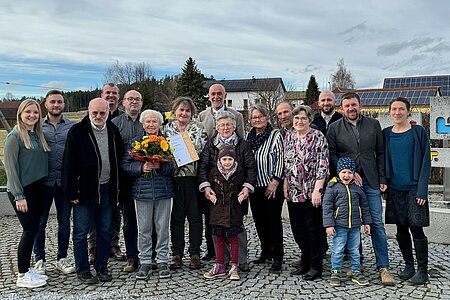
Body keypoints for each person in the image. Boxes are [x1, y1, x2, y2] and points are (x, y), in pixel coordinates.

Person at [327, 92, 396, 286]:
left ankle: (383, 267)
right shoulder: (334, 128)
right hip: (347, 182)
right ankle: (358, 264)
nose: (351, 108)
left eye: (354, 105)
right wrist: (348, 170)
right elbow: (331, 155)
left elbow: (381, 153)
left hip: (371, 181)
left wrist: (382, 178)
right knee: (351, 223)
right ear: (342, 108)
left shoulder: (373, 125)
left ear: (360, 105)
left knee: (376, 224)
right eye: (347, 105)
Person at [62, 98, 124, 284]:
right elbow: (68, 164)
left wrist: (119, 189)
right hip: (84, 191)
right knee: (81, 232)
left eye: (102, 113)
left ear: (108, 113)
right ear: (88, 111)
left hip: (107, 189)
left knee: (105, 230)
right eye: (94, 113)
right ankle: (83, 269)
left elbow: (119, 161)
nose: (98, 116)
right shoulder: (77, 131)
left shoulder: (113, 131)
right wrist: (71, 192)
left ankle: (101, 266)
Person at [198, 112, 256, 272]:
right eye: (222, 125)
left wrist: (246, 188)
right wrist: (206, 187)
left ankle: (240, 261)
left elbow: (251, 168)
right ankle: (221, 261)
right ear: (216, 128)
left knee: (238, 227)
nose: (225, 128)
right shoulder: (211, 145)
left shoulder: (243, 145)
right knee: (217, 227)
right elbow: (203, 167)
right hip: (216, 194)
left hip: (237, 194)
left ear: (234, 126)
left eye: (228, 124)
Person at [383, 97, 431, 285]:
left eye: (401, 109)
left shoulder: (418, 132)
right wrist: (383, 183)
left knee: (416, 229)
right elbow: (382, 160)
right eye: (394, 109)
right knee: (400, 229)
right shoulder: (386, 134)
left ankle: (422, 270)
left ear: (408, 111)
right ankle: (408, 265)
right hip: (395, 189)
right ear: (389, 112)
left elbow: (426, 162)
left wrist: (422, 191)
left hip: (413, 189)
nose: (397, 112)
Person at [122, 109, 174, 280]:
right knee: (144, 229)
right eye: (148, 122)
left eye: (154, 122)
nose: (151, 125)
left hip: (163, 191)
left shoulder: (166, 142)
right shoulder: (135, 143)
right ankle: (145, 261)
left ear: (160, 124)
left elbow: (174, 166)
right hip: (142, 192)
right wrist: (141, 168)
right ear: (143, 124)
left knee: (162, 228)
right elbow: (125, 165)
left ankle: (163, 261)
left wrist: (161, 166)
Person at [4, 99, 51, 288]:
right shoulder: (14, 137)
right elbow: (11, 169)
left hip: (39, 189)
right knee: (29, 230)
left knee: (34, 230)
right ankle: (22, 274)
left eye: (35, 112)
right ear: (20, 114)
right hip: (24, 191)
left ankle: (28, 269)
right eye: (28, 112)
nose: (32, 115)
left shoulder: (37, 135)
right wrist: (18, 195)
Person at [198, 83, 246, 262]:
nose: (216, 96)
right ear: (209, 96)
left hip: (233, 176)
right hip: (213, 176)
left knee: (235, 219)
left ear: (224, 95)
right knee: (212, 217)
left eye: (219, 94)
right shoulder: (202, 116)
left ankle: (238, 259)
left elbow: (240, 144)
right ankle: (214, 253)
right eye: (213, 94)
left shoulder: (237, 116)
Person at [33, 90, 76, 276]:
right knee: (39, 222)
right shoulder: (37, 127)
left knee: (64, 222)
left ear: (64, 104)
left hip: (65, 183)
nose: (56, 105)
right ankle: (39, 259)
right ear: (46, 104)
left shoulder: (73, 127)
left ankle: (61, 258)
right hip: (43, 183)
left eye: (59, 102)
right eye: (53, 102)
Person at [283, 105, 328, 281]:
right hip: (293, 191)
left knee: (313, 228)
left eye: (303, 118)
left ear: (309, 120)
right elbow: (287, 163)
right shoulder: (289, 136)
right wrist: (286, 184)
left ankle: (316, 266)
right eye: (296, 119)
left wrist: (318, 189)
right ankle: (305, 260)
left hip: (311, 190)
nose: (299, 121)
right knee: (298, 228)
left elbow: (323, 165)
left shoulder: (317, 137)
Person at [164, 96, 208, 269]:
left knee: (195, 217)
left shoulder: (199, 129)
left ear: (192, 113)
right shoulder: (166, 130)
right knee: (176, 218)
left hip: (193, 178)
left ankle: (195, 253)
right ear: (174, 111)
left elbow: (204, 153)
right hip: (173, 179)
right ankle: (177, 254)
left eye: (187, 110)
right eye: (181, 110)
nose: (184, 113)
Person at [88, 83, 126, 263]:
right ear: (102, 95)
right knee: (94, 213)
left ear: (119, 97)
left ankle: (113, 244)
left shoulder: (121, 118)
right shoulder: (92, 116)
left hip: (115, 176)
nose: (111, 96)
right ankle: (93, 247)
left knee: (115, 211)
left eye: (114, 93)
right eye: (107, 93)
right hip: (95, 178)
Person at [323, 157, 372, 287]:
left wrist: (367, 223)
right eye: (344, 172)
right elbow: (327, 207)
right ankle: (335, 272)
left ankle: (356, 271)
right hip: (339, 226)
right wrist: (329, 224)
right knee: (338, 249)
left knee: (355, 250)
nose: (346, 175)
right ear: (339, 172)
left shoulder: (357, 188)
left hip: (355, 226)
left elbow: (365, 206)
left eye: (350, 172)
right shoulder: (333, 187)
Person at [247, 104, 284, 273]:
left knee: (273, 221)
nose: (257, 119)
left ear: (267, 117)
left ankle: (277, 257)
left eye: (260, 116)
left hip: (271, 186)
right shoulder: (250, 137)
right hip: (255, 187)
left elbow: (280, 158)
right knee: (259, 221)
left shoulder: (275, 135)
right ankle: (265, 251)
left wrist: (275, 181)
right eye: (254, 117)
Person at [111, 90, 145, 272]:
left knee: (148, 221)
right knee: (129, 221)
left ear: (141, 103)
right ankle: (132, 257)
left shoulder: (147, 121)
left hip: (147, 178)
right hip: (124, 180)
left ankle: (150, 255)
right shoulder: (115, 124)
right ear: (123, 102)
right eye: (130, 99)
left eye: (137, 99)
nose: (134, 102)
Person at [203, 145, 248, 281]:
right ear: (219, 159)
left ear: (234, 160)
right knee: (219, 239)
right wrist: (209, 193)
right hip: (218, 211)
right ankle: (220, 264)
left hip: (234, 211)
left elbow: (243, 187)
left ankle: (235, 265)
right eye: (224, 159)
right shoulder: (214, 172)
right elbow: (208, 186)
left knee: (234, 239)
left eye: (230, 159)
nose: (227, 162)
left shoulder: (239, 173)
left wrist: (242, 195)